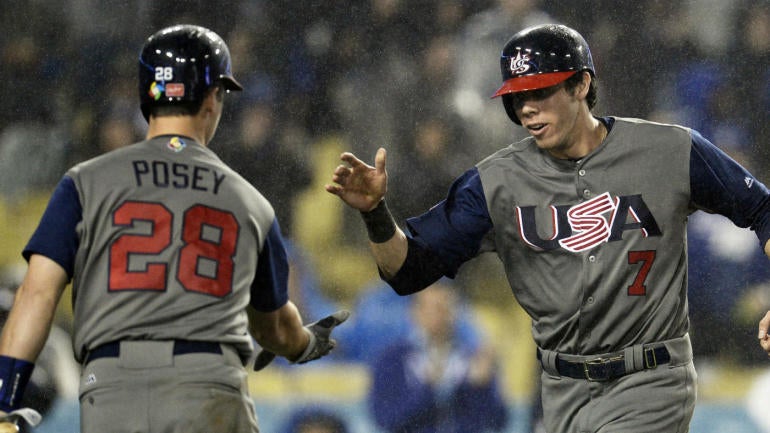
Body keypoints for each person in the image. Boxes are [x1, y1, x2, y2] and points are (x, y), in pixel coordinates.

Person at [325, 23, 770, 432]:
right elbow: (408, 271)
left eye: (540, 92)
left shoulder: (667, 150)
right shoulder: (496, 182)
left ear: (581, 83)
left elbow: (761, 208)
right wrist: (375, 212)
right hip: (561, 387)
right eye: (517, 98)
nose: (528, 110)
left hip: (650, 377)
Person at [0, 24, 347, 433]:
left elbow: (37, 291)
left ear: (148, 95)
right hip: (210, 388)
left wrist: (6, 399)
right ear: (212, 99)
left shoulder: (84, 182)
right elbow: (273, 328)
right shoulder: (250, 201)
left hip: (112, 390)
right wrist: (304, 344)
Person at [367, 281, 509, 433]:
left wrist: (481, 388)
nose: (440, 316)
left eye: (446, 308)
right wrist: (427, 390)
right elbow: (384, 418)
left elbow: (498, 420)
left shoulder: (472, 359)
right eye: (432, 308)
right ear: (415, 312)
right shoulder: (392, 359)